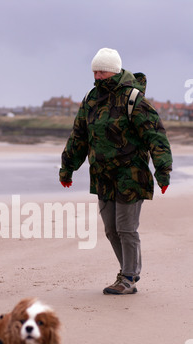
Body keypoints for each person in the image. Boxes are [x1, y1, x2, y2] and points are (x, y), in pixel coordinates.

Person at [59, 48, 173, 295]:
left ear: (113, 70)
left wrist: (163, 170)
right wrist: (67, 167)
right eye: (94, 71)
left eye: (101, 71)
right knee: (111, 229)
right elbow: (79, 136)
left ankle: (129, 277)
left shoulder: (133, 99)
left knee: (125, 228)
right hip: (102, 176)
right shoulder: (90, 99)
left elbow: (156, 136)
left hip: (130, 176)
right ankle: (127, 272)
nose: (97, 76)